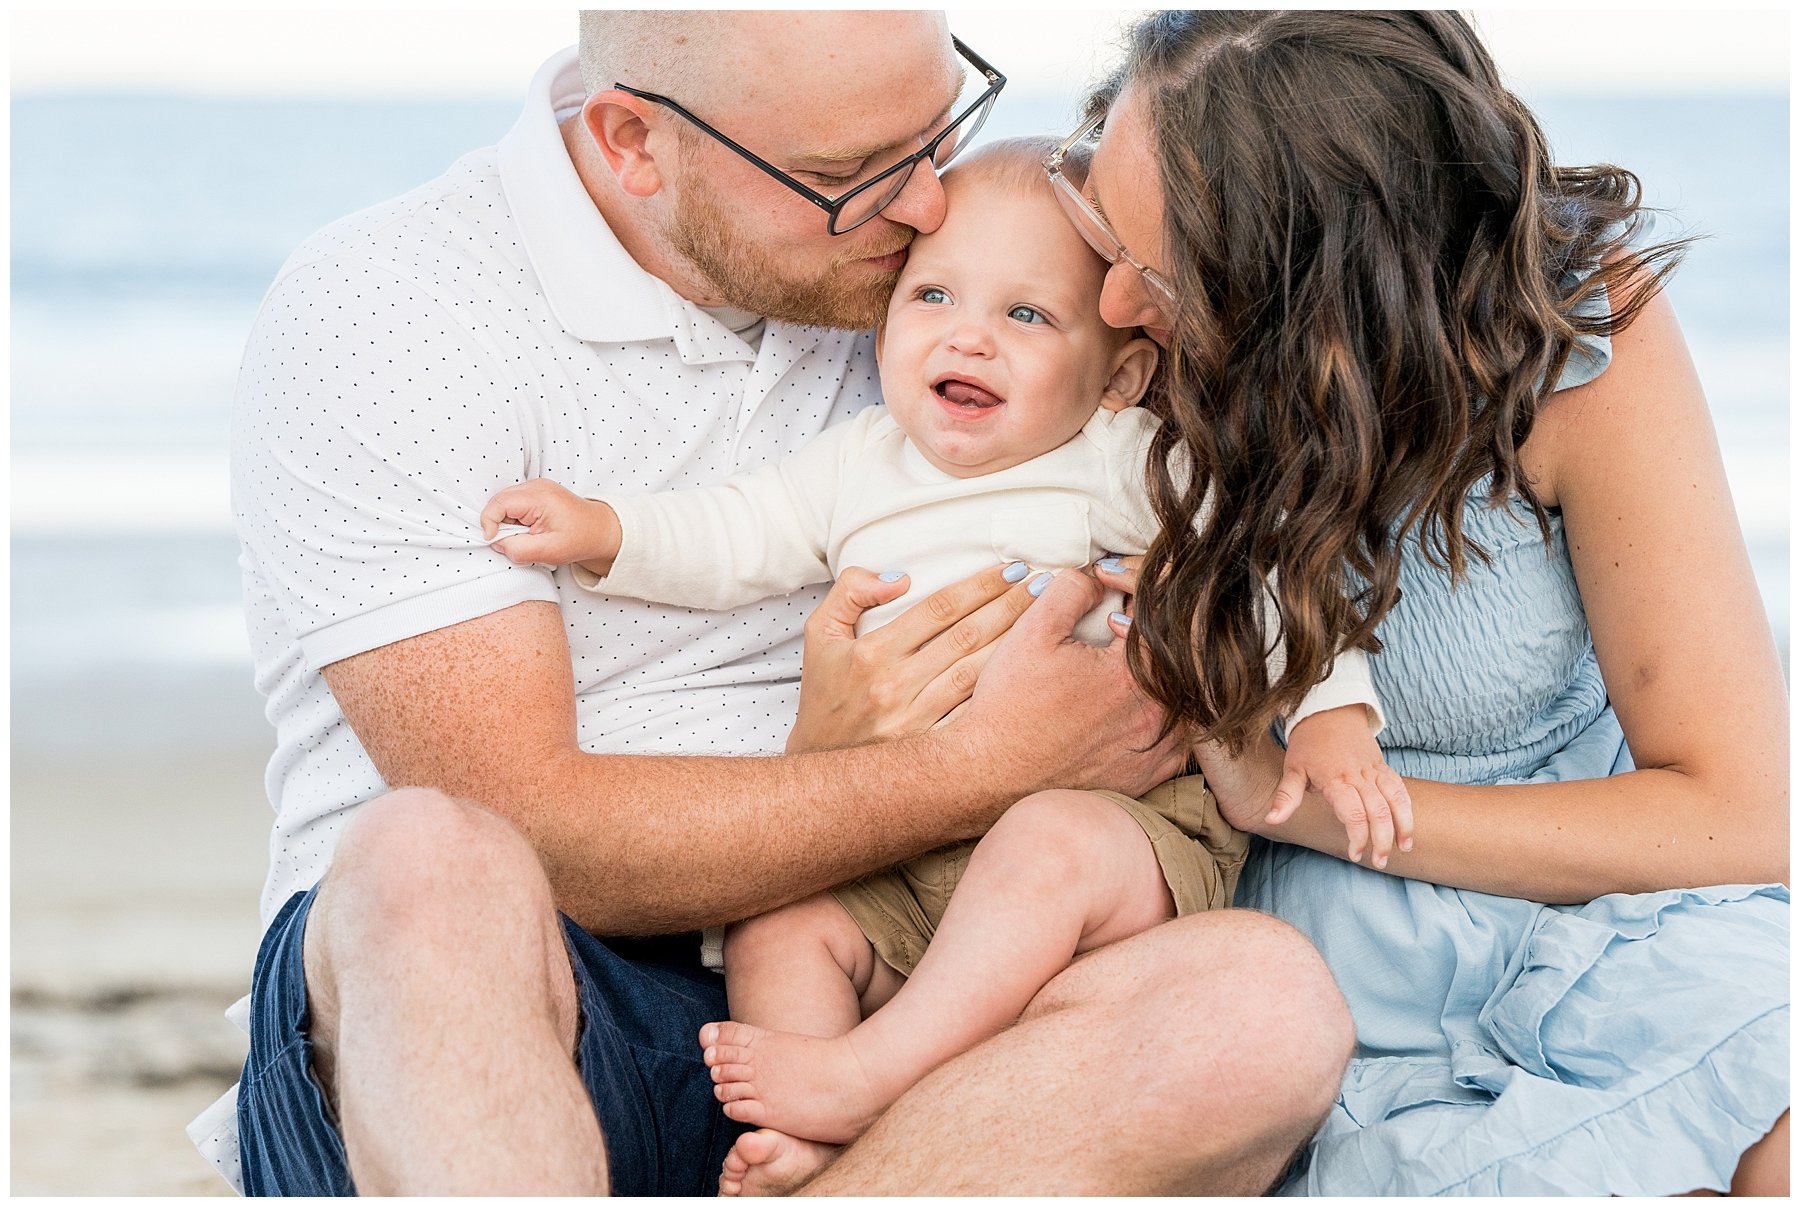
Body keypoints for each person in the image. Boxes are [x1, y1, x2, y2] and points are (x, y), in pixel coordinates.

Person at [205, 10, 1357, 1196]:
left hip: (909, 985)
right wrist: (988, 763)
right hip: (529, 989)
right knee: (423, 853)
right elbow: (541, 830)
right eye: (848, 176)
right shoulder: (394, 313)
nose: (921, 211)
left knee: (1257, 1004)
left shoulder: (940, 286)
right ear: (635, 144)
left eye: (937, 133)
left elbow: (1289, 377)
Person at [479, 137, 1405, 1194]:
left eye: (1026, 315)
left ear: (1124, 375)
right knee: (779, 912)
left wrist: (1335, 716)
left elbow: (1281, 572)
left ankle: (869, 1075)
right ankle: (824, 1138)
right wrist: (606, 530)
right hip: (899, 852)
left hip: (1108, 835)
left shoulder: (1123, 462)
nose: (970, 335)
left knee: (1052, 839)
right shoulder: (858, 464)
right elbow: (733, 533)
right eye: (932, 295)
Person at [1039, 9, 1787, 1196]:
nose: (1113, 301)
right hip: (1326, 971)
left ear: (1318, 295)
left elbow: (1737, 816)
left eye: (1165, 272)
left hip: (1599, 913)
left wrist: (1309, 809)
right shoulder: (1107, 331)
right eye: (1097, 214)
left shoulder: (1575, 338)